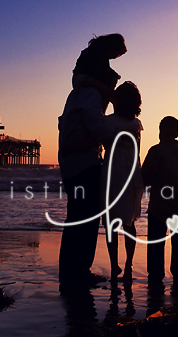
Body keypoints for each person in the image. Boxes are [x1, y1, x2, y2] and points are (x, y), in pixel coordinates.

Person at [57, 35, 126, 286]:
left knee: (77, 217)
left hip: (75, 162)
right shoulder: (89, 96)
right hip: (82, 164)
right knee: (85, 218)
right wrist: (118, 134)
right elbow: (96, 124)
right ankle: (77, 272)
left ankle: (71, 270)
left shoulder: (78, 92)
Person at [141, 116, 178, 287]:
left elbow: (146, 178)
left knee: (156, 243)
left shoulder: (156, 151)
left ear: (160, 132)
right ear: (177, 133)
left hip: (159, 206)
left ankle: (156, 275)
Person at [100, 82, 144, 282]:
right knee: (129, 221)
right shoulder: (135, 124)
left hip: (112, 171)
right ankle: (128, 264)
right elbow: (138, 151)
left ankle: (114, 264)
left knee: (111, 221)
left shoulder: (108, 122)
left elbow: (104, 143)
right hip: (131, 171)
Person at [72, 33, 127, 105]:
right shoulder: (97, 52)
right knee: (110, 93)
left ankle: (101, 110)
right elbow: (99, 70)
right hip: (84, 79)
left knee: (110, 86)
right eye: (117, 54)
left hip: (83, 79)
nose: (115, 57)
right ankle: (101, 111)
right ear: (113, 47)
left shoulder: (97, 51)